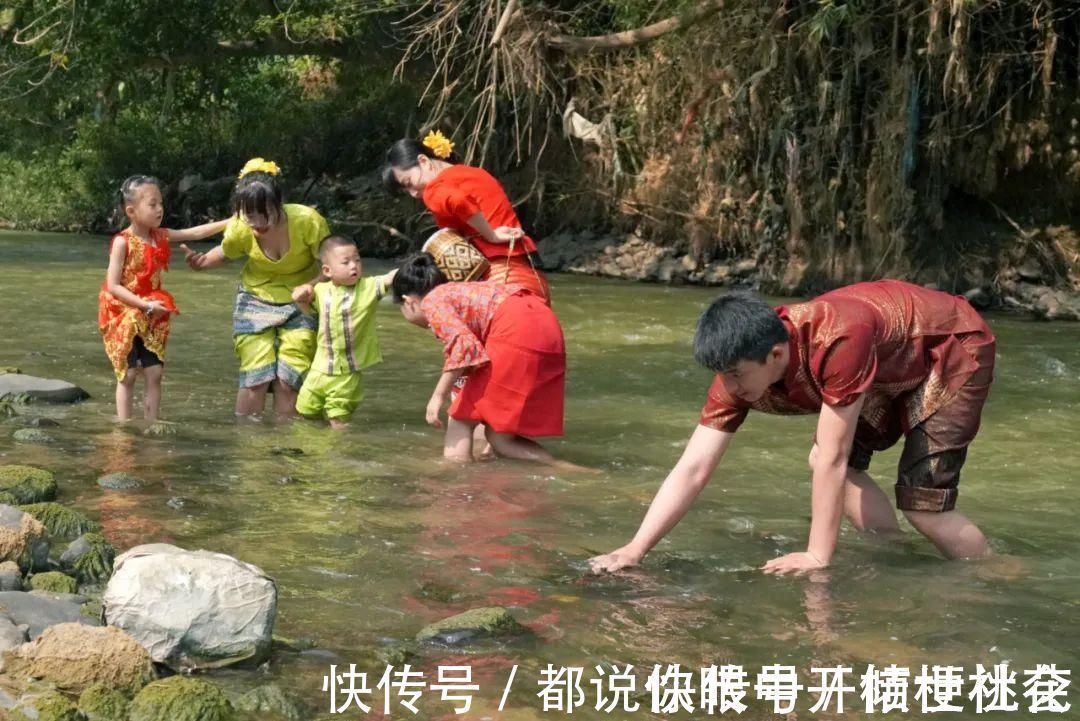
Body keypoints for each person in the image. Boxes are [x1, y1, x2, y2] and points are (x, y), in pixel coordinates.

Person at [589, 279, 996, 575]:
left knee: (923, 506)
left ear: (777, 354)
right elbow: (693, 467)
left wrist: (817, 557)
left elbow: (832, 460)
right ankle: (893, 554)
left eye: (736, 375)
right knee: (833, 463)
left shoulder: (837, 341)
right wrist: (635, 549)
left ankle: (993, 575)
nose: (730, 387)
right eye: (723, 376)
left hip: (950, 347)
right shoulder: (739, 365)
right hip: (886, 362)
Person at [391, 253, 573, 467]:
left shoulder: (432, 301)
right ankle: (565, 468)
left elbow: (463, 347)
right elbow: (474, 355)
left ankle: (454, 476)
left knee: (460, 418)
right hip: (545, 324)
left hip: (515, 330)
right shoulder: (462, 291)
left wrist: (437, 397)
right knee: (500, 439)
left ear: (408, 302)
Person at [181, 158, 330, 418]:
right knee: (256, 377)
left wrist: (311, 285)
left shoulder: (308, 222)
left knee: (289, 378)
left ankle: (285, 445)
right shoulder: (241, 226)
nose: (257, 222)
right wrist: (202, 263)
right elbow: (227, 254)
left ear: (279, 202)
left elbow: (331, 266)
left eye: (265, 213)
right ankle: (249, 447)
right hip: (255, 299)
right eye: (249, 214)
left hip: (302, 300)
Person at [98, 175, 229, 422]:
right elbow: (114, 286)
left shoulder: (161, 236)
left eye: (160, 203)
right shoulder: (122, 243)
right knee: (127, 375)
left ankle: (152, 423)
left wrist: (231, 221)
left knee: (154, 372)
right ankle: (124, 426)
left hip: (153, 309)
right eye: (152, 204)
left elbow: (194, 232)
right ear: (131, 211)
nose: (159, 209)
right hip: (123, 311)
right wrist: (144, 304)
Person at [382, 131, 550, 303]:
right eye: (406, 191)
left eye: (409, 183)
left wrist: (491, 235)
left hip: (498, 281)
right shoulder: (475, 173)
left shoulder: (434, 190)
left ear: (423, 161)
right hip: (531, 275)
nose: (413, 193)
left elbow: (458, 201)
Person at [294, 235, 396, 429]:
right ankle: (314, 447)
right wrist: (300, 297)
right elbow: (307, 309)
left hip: (347, 372)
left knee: (338, 417)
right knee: (305, 410)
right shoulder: (321, 290)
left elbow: (391, 277)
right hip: (319, 368)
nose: (354, 266)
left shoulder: (368, 287)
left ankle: (338, 452)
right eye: (346, 262)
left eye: (357, 260)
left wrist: (418, 261)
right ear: (327, 270)